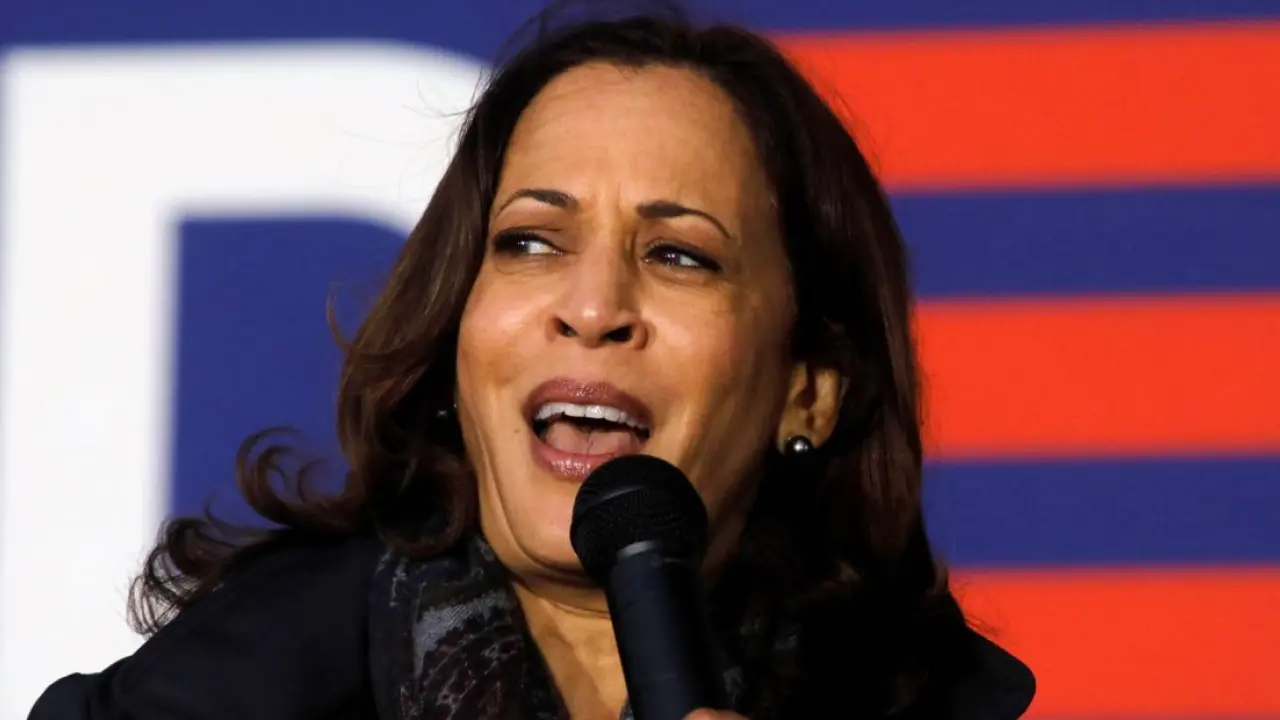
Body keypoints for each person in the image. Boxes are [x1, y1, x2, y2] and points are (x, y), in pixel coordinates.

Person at [29, 6, 1035, 720]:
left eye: (679, 256)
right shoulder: (232, 692)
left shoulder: (926, 696)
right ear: (456, 336)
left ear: (806, 390)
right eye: (529, 242)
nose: (592, 309)